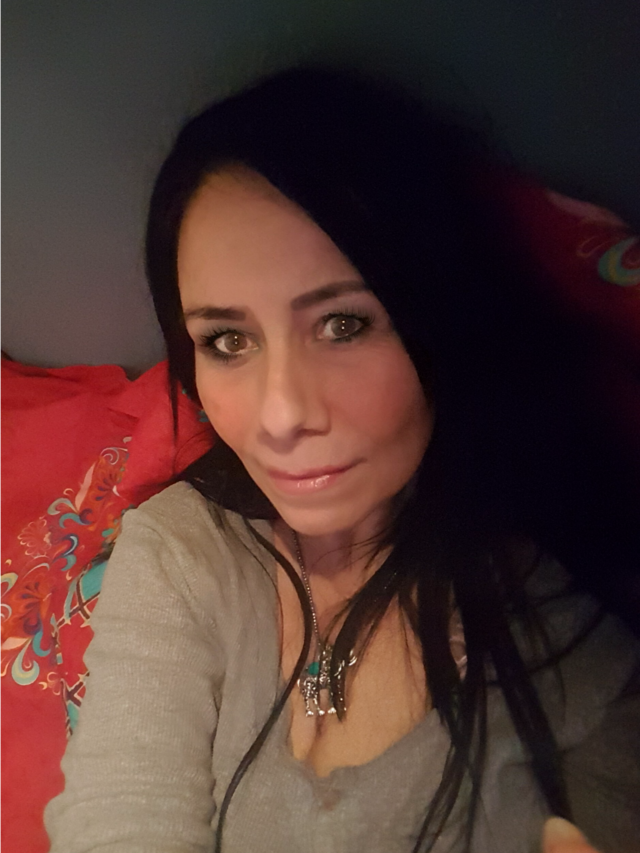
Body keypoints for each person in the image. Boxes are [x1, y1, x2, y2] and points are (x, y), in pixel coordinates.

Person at [45, 65, 640, 853]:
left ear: (439, 317)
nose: (281, 414)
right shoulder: (183, 548)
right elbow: (117, 818)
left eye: (344, 325)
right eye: (227, 340)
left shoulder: (568, 625)